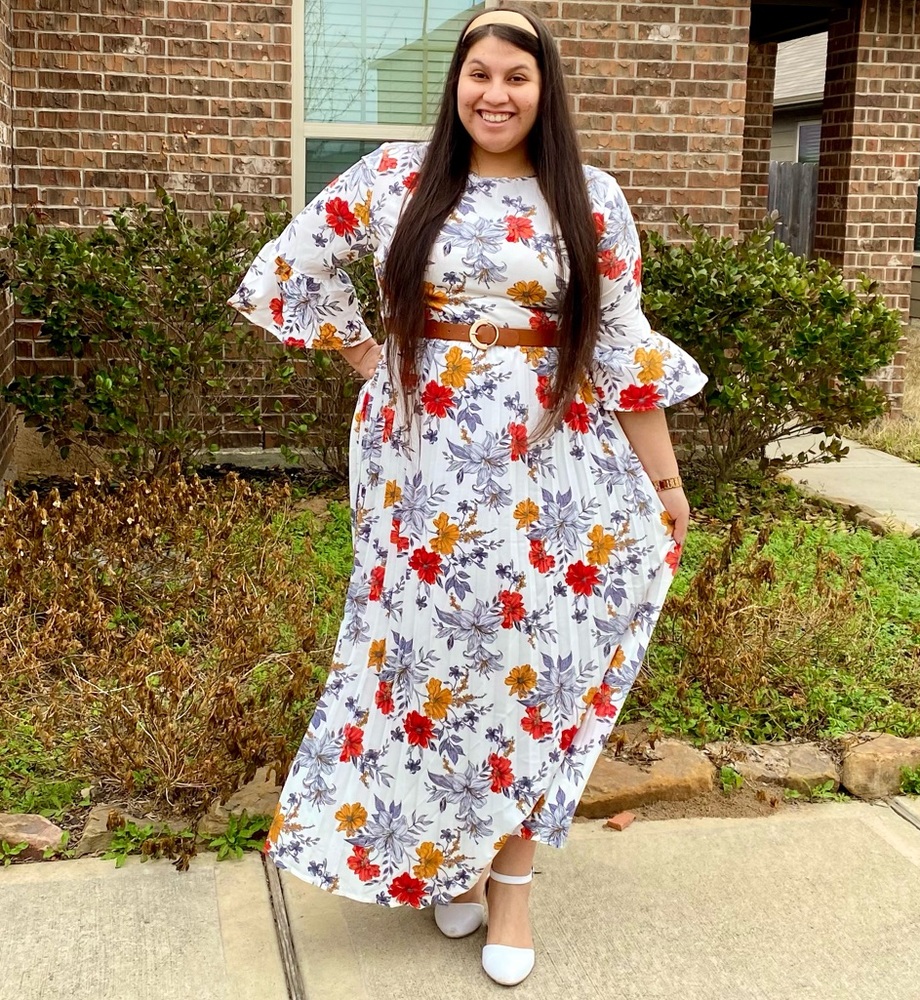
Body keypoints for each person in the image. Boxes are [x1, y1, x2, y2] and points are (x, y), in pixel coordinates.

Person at [228, 6, 706, 987]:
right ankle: (446, 852)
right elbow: (292, 267)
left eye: (517, 78)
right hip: (418, 461)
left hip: (546, 461)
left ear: (544, 91)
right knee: (427, 658)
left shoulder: (591, 199)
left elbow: (619, 345)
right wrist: (368, 351)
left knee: (527, 665)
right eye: (479, 73)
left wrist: (662, 479)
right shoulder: (399, 178)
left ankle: (511, 882)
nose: (496, 93)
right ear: (457, 83)